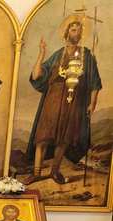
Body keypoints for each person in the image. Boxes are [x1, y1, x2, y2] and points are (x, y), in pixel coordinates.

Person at [26, 15, 101, 185]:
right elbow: (36, 75)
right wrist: (41, 53)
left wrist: (92, 103)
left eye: (79, 30)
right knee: (43, 135)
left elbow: (95, 82)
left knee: (64, 137)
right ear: (67, 32)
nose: (77, 33)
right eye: (73, 30)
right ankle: (36, 173)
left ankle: (55, 171)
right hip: (53, 98)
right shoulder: (58, 55)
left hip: (73, 100)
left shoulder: (86, 55)